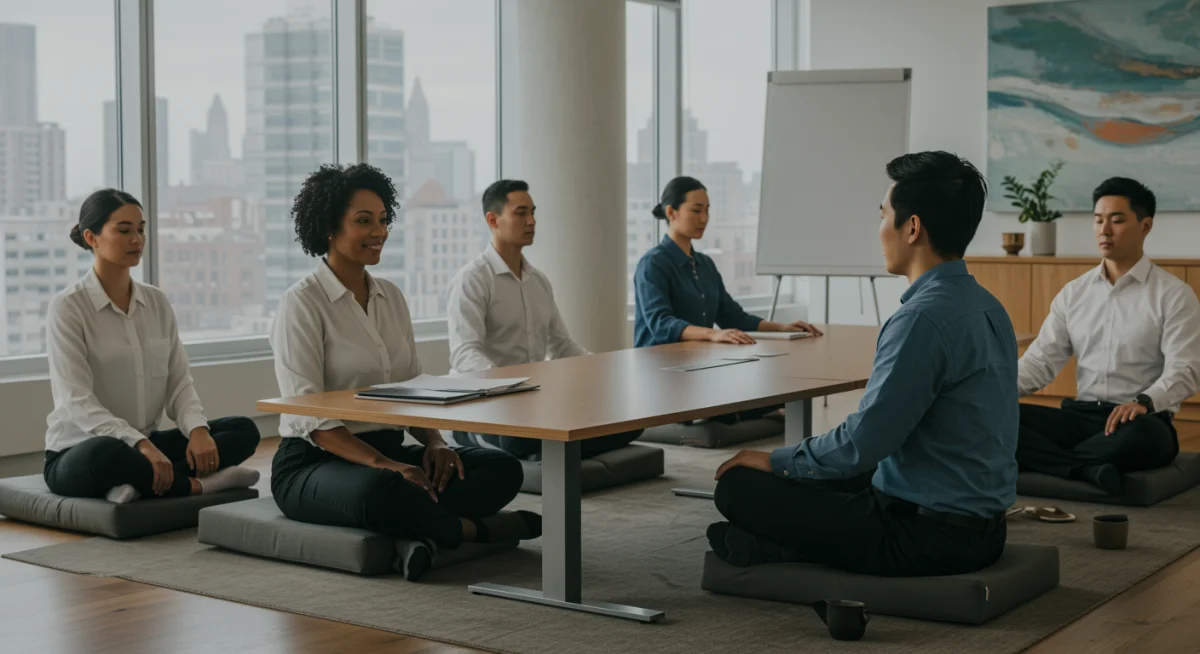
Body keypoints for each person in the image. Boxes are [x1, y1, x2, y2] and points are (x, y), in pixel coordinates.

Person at [709, 152, 1016, 577]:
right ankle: (775, 547)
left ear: (911, 228)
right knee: (822, 474)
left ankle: (778, 549)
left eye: (882, 215)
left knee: (738, 489)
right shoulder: (988, 305)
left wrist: (775, 460)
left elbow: (861, 445)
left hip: (927, 539)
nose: (878, 230)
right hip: (985, 531)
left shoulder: (921, 319)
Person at [269, 164, 539, 581]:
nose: (379, 231)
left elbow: (410, 389)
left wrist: (435, 442)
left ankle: (415, 532)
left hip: (387, 448)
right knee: (384, 489)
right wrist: (383, 465)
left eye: (382, 220)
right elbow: (312, 418)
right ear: (328, 226)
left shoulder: (390, 297)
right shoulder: (301, 303)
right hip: (315, 462)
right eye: (363, 221)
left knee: (500, 469)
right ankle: (471, 530)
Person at [44, 189, 261, 504]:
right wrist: (139, 445)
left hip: (148, 444)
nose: (137, 239)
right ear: (92, 238)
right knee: (104, 455)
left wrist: (198, 430)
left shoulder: (156, 302)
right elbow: (77, 401)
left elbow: (178, 383)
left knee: (242, 430)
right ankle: (201, 485)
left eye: (141, 229)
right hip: (79, 450)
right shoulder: (68, 306)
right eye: (124, 230)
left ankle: (138, 483)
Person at [1016, 178, 1200, 494]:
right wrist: (990, 392)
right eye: (1098, 220)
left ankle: (1056, 464)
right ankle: (1087, 470)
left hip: (1138, 420)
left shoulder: (1173, 295)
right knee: (1000, 418)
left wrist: (1145, 401)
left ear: (1145, 226)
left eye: (1116, 220)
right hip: (1081, 418)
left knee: (1148, 438)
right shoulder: (1074, 293)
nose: (1104, 230)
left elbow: (1186, 369)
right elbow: (1040, 362)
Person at [447, 180, 643, 459]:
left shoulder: (538, 281)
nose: (531, 221)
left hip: (534, 403)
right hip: (486, 404)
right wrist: (510, 389)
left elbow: (562, 346)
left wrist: (604, 370)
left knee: (631, 423)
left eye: (533, 213)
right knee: (521, 441)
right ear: (493, 219)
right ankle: (536, 445)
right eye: (521, 213)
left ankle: (552, 448)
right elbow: (464, 354)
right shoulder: (472, 279)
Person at [633, 175, 822, 349]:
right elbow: (661, 324)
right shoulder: (653, 264)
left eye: (707, 210)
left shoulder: (705, 264)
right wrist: (712, 334)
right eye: (696, 210)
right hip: (657, 367)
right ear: (671, 213)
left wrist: (783, 328)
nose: (704, 218)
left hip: (693, 365)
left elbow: (733, 317)